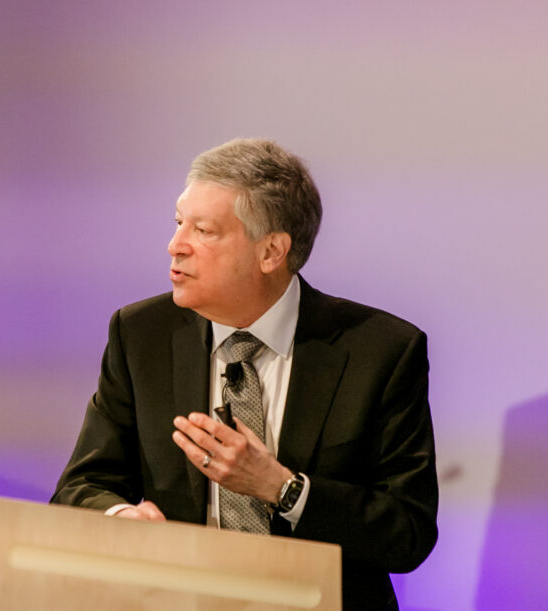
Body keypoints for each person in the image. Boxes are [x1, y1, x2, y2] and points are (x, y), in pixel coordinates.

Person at [51, 138, 438, 609]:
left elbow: (407, 533)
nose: (176, 246)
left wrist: (282, 488)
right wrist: (120, 516)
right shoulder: (140, 336)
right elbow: (79, 487)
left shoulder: (380, 351)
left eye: (204, 230)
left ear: (271, 251)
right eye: (178, 224)